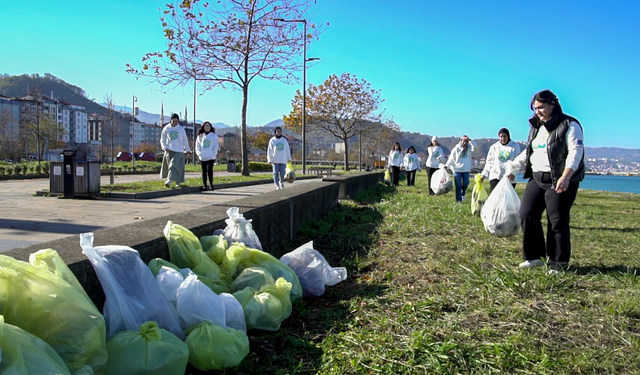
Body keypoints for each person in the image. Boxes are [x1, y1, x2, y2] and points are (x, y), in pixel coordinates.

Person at [506, 90, 585, 271]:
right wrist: (513, 167)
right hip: (537, 177)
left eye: (541, 107)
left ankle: (559, 263)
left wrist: (566, 176)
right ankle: (535, 257)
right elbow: (530, 151)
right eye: (535, 108)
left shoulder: (570, 125)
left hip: (559, 179)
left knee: (556, 221)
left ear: (552, 104)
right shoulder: (536, 126)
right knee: (527, 214)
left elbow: (575, 152)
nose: (537, 112)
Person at [480, 128, 521, 192]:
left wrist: (513, 173)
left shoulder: (515, 146)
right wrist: (484, 174)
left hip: (509, 176)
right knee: (494, 196)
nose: (503, 138)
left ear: (508, 136)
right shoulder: (494, 147)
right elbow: (489, 162)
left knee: (506, 199)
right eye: (501, 137)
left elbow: (517, 161)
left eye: (504, 136)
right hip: (495, 175)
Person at [160, 113, 191, 188]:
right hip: (169, 150)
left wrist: (187, 150)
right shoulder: (166, 128)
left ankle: (170, 181)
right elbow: (163, 140)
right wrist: (165, 148)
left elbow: (184, 141)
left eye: (176, 121)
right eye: (174, 121)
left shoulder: (181, 129)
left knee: (174, 166)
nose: (175, 123)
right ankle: (177, 182)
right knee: (170, 167)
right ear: (171, 120)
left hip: (179, 151)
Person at [446, 135, 477, 202]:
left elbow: (475, 147)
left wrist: (471, 140)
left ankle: (463, 193)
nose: (464, 142)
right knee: (458, 185)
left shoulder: (469, 148)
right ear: (461, 141)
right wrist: (447, 165)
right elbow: (451, 158)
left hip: (466, 169)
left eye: (466, 141)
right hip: (457, 169)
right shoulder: (456, 148)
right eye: (463, 141)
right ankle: (458, 199)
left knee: (466, 183)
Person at [195, 121, 219, 191]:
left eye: (208, 126)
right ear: (204, 127)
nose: (207, 127)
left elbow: (216, 145)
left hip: (211, 156)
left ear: (210, 127)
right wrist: (199, 153)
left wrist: (214, 153)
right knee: (204, 171)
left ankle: (211, 185)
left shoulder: (213, 136)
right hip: (203, 156)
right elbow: (197, 146)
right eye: (206, 126)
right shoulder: (200, 136)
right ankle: (205, 185)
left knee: (209, 170)